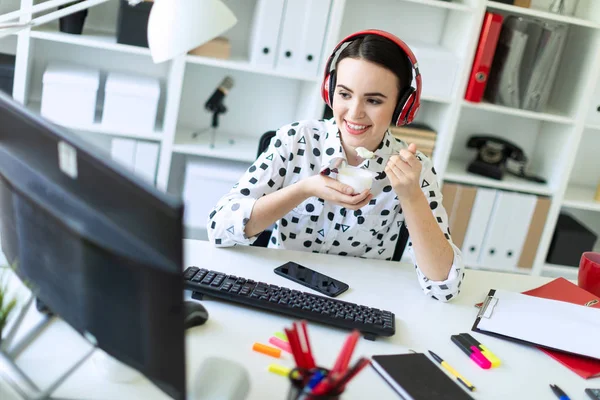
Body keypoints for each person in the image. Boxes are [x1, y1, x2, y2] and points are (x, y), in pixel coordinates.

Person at [207, 30, 465, 302]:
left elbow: (444, 287)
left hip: (361, 302)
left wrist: (412, 196)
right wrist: (304, 189)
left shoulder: (415, 169)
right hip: (282, 292)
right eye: (344, 94)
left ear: (402, 105)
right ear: (330, 91)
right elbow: (219, 229)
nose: (354, 112)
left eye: (374, 100)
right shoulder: (297, 140)